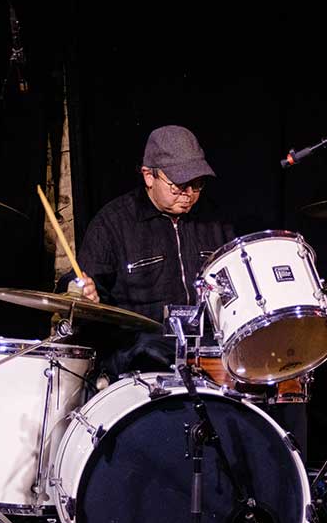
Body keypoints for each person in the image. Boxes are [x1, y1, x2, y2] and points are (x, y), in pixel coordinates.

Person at [66, 125, 234, 379]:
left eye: (197, 184)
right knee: (149, 348)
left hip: (207, 355)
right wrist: (80, 289)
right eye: (178, 185)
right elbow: (80, 285)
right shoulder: (113, 223)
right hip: (137, 358)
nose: (189, 195)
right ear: (148, 176)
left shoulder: (215, 220)